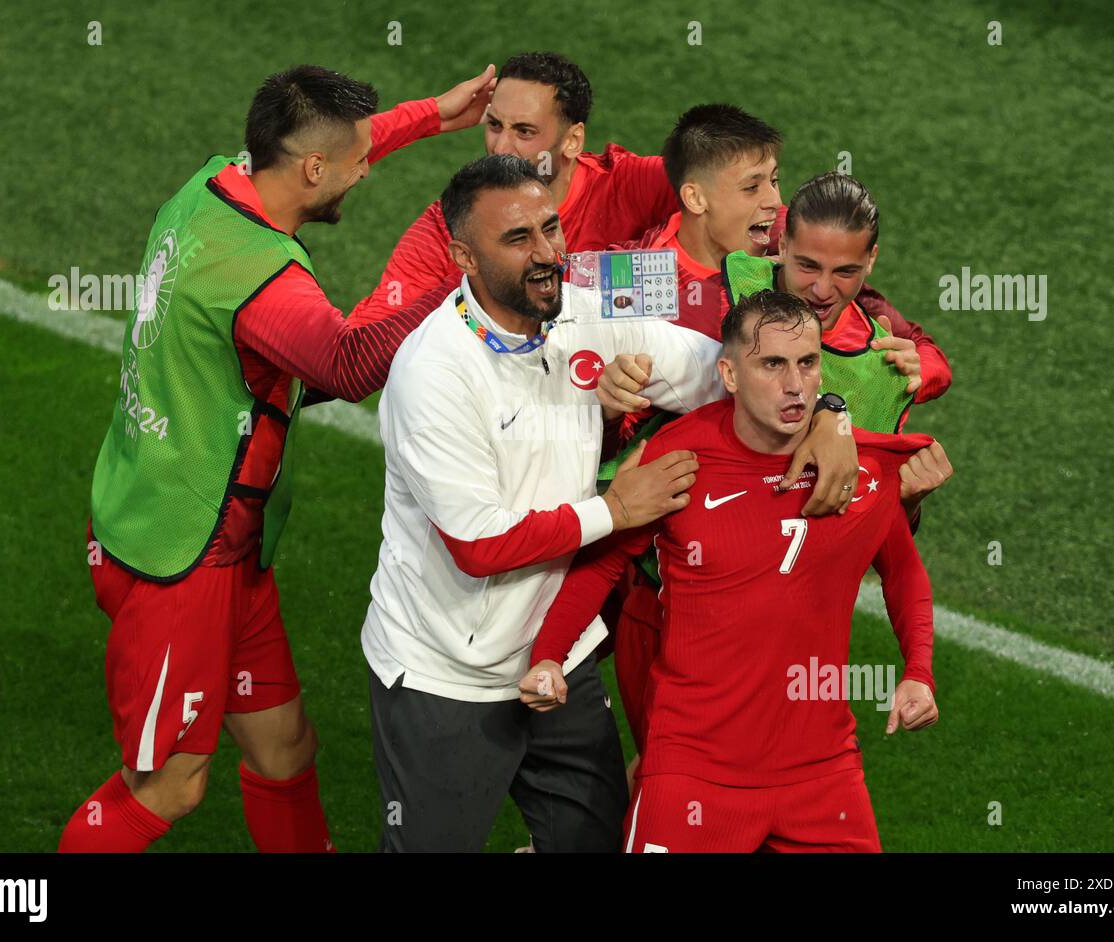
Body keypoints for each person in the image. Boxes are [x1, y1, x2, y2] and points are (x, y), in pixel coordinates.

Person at [361, 155, 859, 852]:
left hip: (559, 662)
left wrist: (832, 416)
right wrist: (616, 511)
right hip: (449, 677)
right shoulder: (433, 372)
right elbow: (477, 547)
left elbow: (742, 373)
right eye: (518, 240)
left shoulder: (589, 316)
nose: (547, 255)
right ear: (462, 257)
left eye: (551, 228)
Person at [60, 63, 498, 853]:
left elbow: (331, 143)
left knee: (284, 747)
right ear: (311, 171)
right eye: (356, 162)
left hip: (212, 539)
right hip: (181, 561)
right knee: (166, 787)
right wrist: (457, 278)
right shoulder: (262, 282)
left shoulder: (216, 183)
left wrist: (433, 115)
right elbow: (350, 365)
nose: (366, 170)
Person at [521, 290, 941, 852]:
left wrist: (918, 669)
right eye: (772, 364)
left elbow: (903, 571)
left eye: (807, 363)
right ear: (730, 374)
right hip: (691, 771)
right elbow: (606, 562)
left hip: (822, 773)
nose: (795, 385)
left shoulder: (858, 469)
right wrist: (547, 654)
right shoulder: (679, 457)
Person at [599, 109, 953, 753]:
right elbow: (566, 348)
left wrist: (922, 376)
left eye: (775, 182)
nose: (772, 201)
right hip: (648, 574)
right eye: (755, 186)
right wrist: (601, 396)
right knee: (665, 771)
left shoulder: (845, 326)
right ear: (698, 199)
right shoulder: (646, 281)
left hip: (779, 623)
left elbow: (883, 528)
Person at [349, 51, 682, 325]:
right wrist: (428, 115)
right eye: (494, 125)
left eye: (524, 132)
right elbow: (354, 352)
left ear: (572, 140)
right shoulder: (451, 223)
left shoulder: (632, 183)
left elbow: (726, 191)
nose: (501, 148)